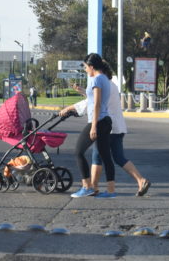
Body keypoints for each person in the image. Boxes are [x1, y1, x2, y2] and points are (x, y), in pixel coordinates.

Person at [88, 60, 152, 196]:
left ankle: (93, 188)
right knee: (118, 157)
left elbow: (97, 104)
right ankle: (141, 180)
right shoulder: (112, 85)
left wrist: (93, 126)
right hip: (118, 126)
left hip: (106, 126)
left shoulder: (101, 83)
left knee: (96, 157)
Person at [59, 53, 116, 198]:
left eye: (85, 67)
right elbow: (95, 99)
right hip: (106, 121)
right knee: (106, 156)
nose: (85, 70)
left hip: (98, 121)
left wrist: (93, 126)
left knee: (78, 152)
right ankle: (110, 191)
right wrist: (84, 92)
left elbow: (96, 104)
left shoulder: (95, 79)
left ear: (91, 66)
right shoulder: (104, 78)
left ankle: (87, 186)